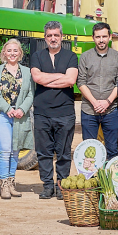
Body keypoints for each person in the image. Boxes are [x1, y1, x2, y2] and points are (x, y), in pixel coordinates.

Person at [31, 21, 79, 200]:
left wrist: (47, 79)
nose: (53, 38)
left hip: (64, 112)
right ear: (45, 38)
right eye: (49, 35)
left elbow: (70, 81)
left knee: (64, 152)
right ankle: (47, 186)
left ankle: (61, 185)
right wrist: (60, 76)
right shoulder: (37, 55)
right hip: (42, 112)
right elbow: (37, 77)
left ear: (61, 36)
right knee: (43, 152)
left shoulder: (71, 56)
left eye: (56, 35)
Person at [0, 39, 34, 199]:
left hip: (20, 117)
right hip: (3, 116)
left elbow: (31, 93)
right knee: (4, 151)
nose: (12, 53)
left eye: (15, 50)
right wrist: (8, 109)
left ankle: (12, 182)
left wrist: (22, 109)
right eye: (9, 50)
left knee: (15, 151)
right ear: (4, 53)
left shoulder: (27, 72)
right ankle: (3, 183)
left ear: (20, 53)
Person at [77, 22, 118, 162]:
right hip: (89, 110)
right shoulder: (85, 57)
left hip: (110, 111)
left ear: (110, 37)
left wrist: (107, 102)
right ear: (93, 38)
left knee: (112, 150)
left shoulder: (117, 57)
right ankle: (91, 181)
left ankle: (109, 181)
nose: (101, 40)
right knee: (89, 151)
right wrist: (95, 102)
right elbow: (81, 82)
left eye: (104, 36)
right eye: (98, 37)